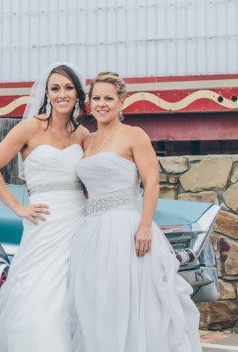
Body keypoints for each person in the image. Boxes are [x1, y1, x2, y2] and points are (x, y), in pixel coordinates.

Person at [68, 72, 200, 352]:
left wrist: (144, 226)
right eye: (97, 98)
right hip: (91, 231)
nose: (102, 104)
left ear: (120, 102)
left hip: (125, 227)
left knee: (128, 298)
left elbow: (152, 182)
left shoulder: (134, 135)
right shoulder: (86, 141)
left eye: (108, 98)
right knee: (96, 299)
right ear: (89, 103)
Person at [0, 62, 90, 352]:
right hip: (43, 223)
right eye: (55, 88)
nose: (62, 94)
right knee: (39, 292)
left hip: (78, 221)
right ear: (47, 93)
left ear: (78, 94)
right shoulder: (30, 127)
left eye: (68, 88)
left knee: (73, 295)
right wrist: (18, 207)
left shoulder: (82, 135)